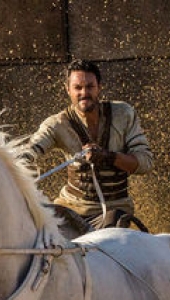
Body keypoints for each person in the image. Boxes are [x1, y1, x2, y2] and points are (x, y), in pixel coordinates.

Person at [27, 59, 154, 228]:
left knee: (110, 233)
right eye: (78, 88)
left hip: (114, 211)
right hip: (70, 208)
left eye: (90, 86)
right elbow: (30, 150)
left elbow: (146, 163)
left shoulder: (123, 114)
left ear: (99, 87)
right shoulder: (57, 124)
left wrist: (108, 157)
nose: (84, 93)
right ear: (68, 90)